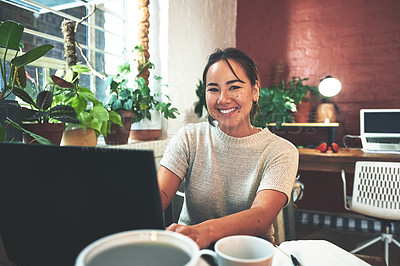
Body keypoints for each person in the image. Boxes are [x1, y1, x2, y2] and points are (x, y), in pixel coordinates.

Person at [157, 47, 298, 249]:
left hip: (250, 253)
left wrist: (204, 231)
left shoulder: (281, 151)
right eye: (213, 89)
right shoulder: (189, 138)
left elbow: (262, 216)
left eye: (234, 87)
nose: (223, 99)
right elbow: (156, 199)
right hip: (191, 250)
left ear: (255, 91)